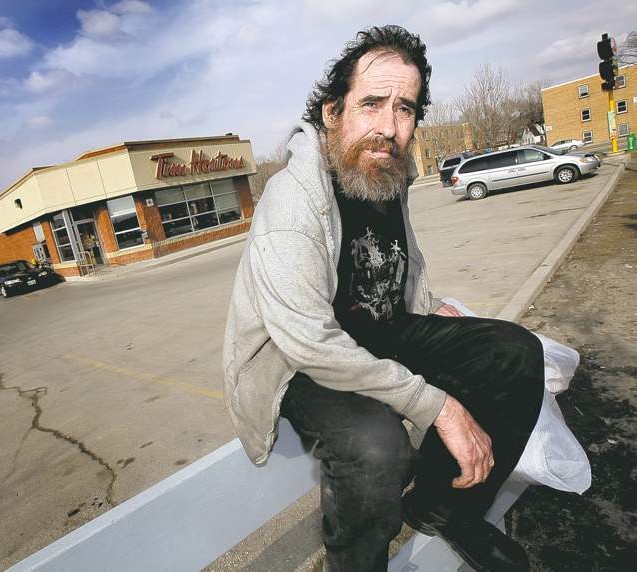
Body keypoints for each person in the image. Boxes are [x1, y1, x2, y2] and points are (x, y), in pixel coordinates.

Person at [223, 25, 543, 572]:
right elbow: (308, 341)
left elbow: (396, 258)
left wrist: (426, 308)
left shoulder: (387, 169)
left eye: (405, 109)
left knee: (515, 352)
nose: (389, 128)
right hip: (303, 360)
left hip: (381, 333)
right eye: (371, 104)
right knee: (378, 451)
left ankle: (445, 508)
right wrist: (438, 407)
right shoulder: (293, 200)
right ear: (332, 112)